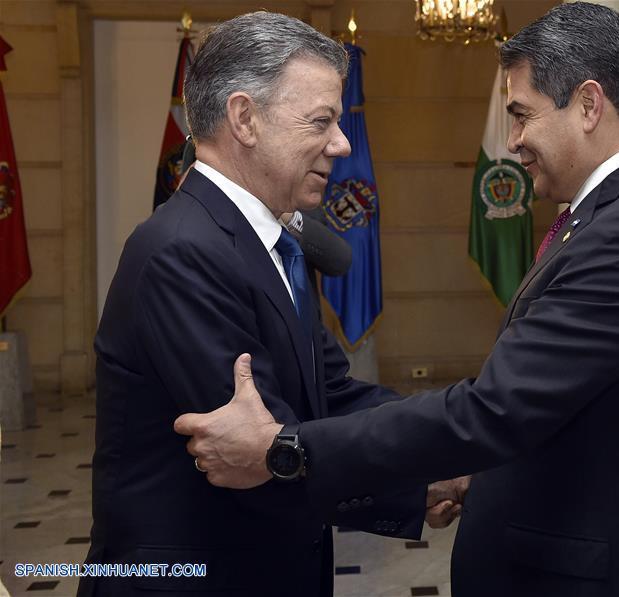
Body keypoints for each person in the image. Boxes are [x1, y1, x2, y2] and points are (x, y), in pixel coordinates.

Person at [176, 3, 619, 596]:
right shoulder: (616, 215)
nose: (513, 141)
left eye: (522, 115)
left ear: (589, 105)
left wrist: (287, 450)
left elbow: (495, 410)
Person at [81, 12, 457, 597]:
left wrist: (450, 443)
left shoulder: (267, 241)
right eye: (321, 121)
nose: (342, 143)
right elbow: (258, 448)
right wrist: (417, 485)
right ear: (244, 119)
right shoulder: (182, 251)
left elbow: (331, 394)